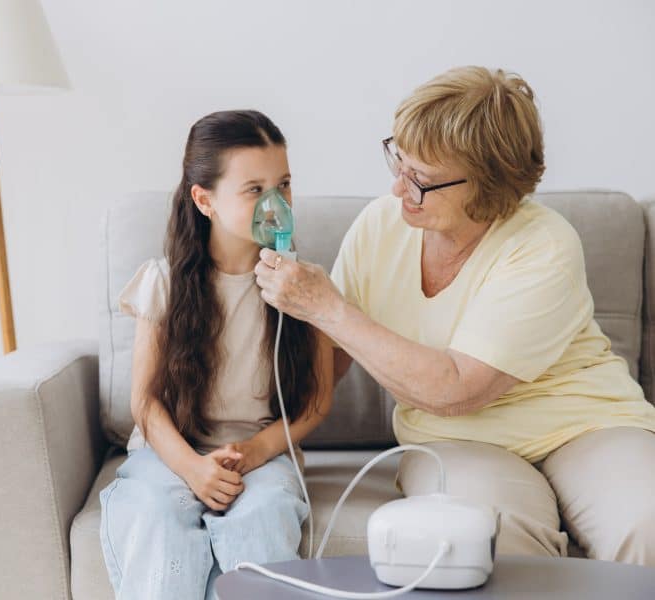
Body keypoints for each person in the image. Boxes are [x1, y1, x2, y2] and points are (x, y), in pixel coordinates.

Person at [254, 66, 655, 565]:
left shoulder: (544, 245)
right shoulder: (380, 227)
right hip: (459, 444)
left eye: (420, 180)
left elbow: (456, 389)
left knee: (647, 526)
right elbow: (329, 368)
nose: (399, 191)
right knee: (488, 539)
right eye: (398, 162)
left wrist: (326, 307)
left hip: (587, 426)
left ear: (488, 187)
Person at [99, 110, 334, 599]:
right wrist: (192, 468)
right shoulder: (163, 283)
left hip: (262, 455)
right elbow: (144, 402)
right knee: (158, 519)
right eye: (254, 189)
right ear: (204, 200)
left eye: (284, 184)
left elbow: (316, 401)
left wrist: (256, 451)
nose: (276, 203)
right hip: (169, 453)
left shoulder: (306, 288)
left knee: (264, 517)